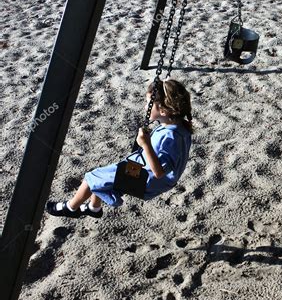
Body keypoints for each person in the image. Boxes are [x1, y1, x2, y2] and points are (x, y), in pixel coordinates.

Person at [46, 79, 193, 219]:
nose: (145, 107)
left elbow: (159, 172)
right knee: (107, 173)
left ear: (163, 111)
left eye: (148, 104)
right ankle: (93, 208)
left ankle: (71, 208)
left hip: (147, 181)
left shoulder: (171, 137)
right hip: (146, 174)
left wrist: (146, 144)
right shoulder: (179, 126)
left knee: (91, 178)